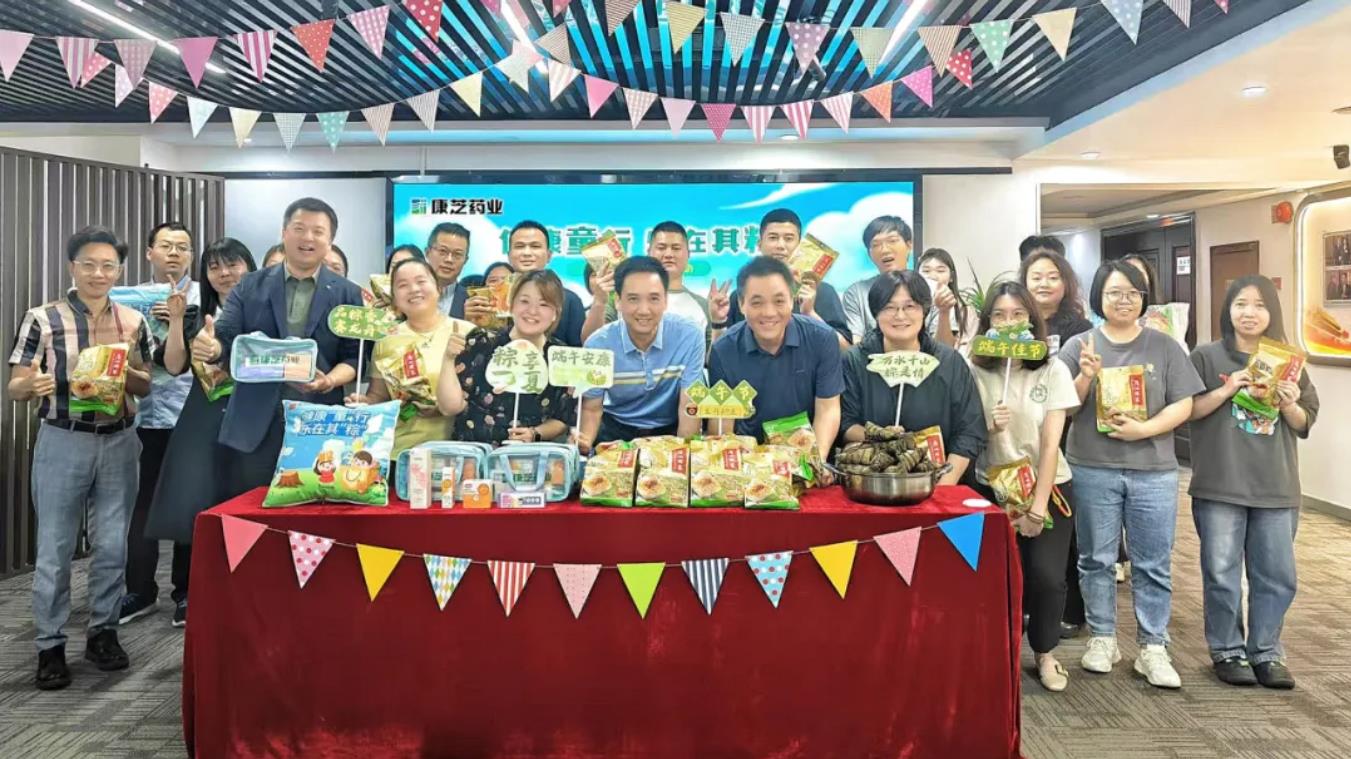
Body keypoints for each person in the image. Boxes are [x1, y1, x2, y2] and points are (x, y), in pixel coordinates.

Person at [7, 226, 153, 690]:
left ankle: (103, 633)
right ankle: (49, 645)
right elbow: (16, 386)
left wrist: (123, 374)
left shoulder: (133, 320)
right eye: (89, 264)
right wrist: (31, 385)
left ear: (120, 271)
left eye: (108, 265)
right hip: (63, 439)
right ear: (73, 267)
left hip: (120, 440)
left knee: (113, 545)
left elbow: (146, 383)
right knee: (55, 547)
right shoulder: (42, 319)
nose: (98, 273)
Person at [1059, 261, 1204, 690]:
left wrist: (1146, 429)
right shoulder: (1079, 344)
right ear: (1098, 296)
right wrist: (1085, 377)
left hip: (1153, 470)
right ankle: (1103, 638)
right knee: (1095, 559)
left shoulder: (1164, 346)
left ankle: (1153, 646)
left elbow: (1184, 403)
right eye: (1114, 292)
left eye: (1133, 293)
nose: (1124, 300)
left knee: (1152, 562)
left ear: (1143, 298)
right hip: (1092, 467)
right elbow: (1064, 407)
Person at [1188, 275, 1318, 690]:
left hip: (1276, 484)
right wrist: (1228, 389)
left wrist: (1290, 403)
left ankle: (1266, 652)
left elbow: (1305, 421)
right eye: (1241, 303)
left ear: (1271, 312)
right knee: (1221, 572)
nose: (1249, 312)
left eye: (1259, 305)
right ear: (1228, 310)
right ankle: (1227, 650)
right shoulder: (1206, 356)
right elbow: (1188, 410)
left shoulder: (1289, 361)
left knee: (1276, 575)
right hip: (1220, 483)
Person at [193, 198, 365, 497]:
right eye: (299, 228)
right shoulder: (249, 285)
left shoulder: (347, 292)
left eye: (318, 231)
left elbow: (354, 356)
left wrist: (329, 380)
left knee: (315, 509)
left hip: (319, 421)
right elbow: (227, 336)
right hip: (254, 421)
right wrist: (212, 347)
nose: (307, 237)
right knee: (249, 509)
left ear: (330, 241)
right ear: (284, 233)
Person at [968, 282, 1080, 692]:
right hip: (991, 487)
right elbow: (963, 433)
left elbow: (1051, 443)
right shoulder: (973, 368)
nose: (1009, 323)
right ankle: (1001, 653)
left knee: (1046, 576)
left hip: (1047, 486)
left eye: (1018, 315)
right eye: (999, 315)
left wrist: (1036, 508)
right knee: (997, 577)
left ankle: (1045, 653)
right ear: (987, 323)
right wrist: (986, 424)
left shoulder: (1053, 369)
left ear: (1032, 321)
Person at [143, 238, 257, 628]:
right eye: (214, 267)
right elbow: (174, 366)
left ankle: (243, 587)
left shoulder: (262, 312)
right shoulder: (196, 314)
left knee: (244, 500)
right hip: (202, 415)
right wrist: (177, 321)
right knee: (196, 500)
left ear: (249, 267)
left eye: (233, 264)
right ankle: (188, 592)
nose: (224, 273)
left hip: (250, 416)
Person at [122, 222, 200, 627]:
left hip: (192, 415)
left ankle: (186, 592)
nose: (174, 253)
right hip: (143, 415)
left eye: (182, 247)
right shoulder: (128, 301)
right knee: (141, 504)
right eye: (166, 246)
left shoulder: (203, 296)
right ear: (149, 252)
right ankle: (139, 590)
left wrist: (181, 320)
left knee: (188, 502)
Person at [840, 270, 983, 486]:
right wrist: (884, 438)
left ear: (925, 311)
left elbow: (969, 431)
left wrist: (945, 486)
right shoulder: (854, 361)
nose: (900, 316)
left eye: (910, 306)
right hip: (873, 484)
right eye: (889, 307)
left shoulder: (949, 362)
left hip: (940, 482)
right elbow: (845, 423)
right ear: (875, 313)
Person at [1020, 248, 1095, 637]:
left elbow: (1076, 393)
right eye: (1036, 277)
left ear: (1065, 283)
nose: (1044, 283)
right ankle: (1026, 609)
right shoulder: (1017, 327)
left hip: (1065, 434)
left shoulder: (1080, 329)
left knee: (1064, 534)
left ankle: (1068, 610)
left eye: (1052, 276)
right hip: (1020, 437)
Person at [707, 257, 842, 474]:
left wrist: (815, 463)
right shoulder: (723, 350)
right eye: (757, 303)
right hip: (749, 465)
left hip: (807, 457)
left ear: (792, 300)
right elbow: (723, 423)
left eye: (779, 301)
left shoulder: (822, 338)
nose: (769, 313)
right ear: (741, 304)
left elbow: (828, 409)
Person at [577, 257, 705, 448]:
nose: (644, 310)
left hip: (669, 430)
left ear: (665, 301)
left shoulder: (689, 335)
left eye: (654, 299)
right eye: (633, 299)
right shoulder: (598, 344)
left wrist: (683, 453)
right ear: (618, 301)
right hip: (616, 431)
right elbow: (591, 410)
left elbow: (690, 405)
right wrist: (584, 443)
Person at [436, 270, 577, 445]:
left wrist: (534, 433)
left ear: (556, 313)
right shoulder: (480, 342)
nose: (532, 311)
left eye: (544, 304)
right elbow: (449, 408)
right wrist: (448, 358)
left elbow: (563, 418)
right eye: (524, 301)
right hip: (474, 453)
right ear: (511, 305)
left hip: (528, 457)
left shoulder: (560, 357)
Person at [346, 258, 461, 458]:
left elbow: (481, 400)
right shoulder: (387, 340)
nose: (414, 289)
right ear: (395, 299)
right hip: (400, 452)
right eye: (402, 285)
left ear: (438, 288)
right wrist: (364, 402)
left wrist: (445, 406)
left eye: (421, 281)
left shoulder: (465, 332)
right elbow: (379, 397)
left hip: (457, 451)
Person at [582, 221, 730, 346]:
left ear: (688, 254)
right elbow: (590, 343)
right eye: (661, 248)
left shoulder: (703, 305)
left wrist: (718, 323)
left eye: (676, 248)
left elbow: (710, 361)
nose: (668, 254)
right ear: (649, 251)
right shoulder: (622, 296)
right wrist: (599, 301)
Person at [725, 208, 852, 349]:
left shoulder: (824, 292)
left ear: (800, 245)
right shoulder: (742, 295)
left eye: (788, 239)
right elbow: (727, 349)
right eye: (773, 238)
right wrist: (717, 323)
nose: (780, 245)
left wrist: (810, 313)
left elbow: (846, 350)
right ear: (760, 245)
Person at [504, 220, 585, 346]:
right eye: (519, 246)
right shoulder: (493, 298)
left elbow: (577, 350)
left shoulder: (569, 300)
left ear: (549, 255)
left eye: (535, 246)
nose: (527, 253)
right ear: (509, 256)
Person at [842, 215, 913, 343]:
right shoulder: (857, 293)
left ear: (909, 245)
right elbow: (856, 344)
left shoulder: (931, 289)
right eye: (876, 245)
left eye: (892, 241)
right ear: (869, 254)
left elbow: (943, 347)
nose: (884, 250)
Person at [917, 248, 979, 356]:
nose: (933, 276)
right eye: (926, 271)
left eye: (940, 271)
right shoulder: (910, 307)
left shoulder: (965, 311)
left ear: (951, 277)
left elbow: (953, 350)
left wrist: (944, 311)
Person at [424, 223, 472, 319]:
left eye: (457, 254)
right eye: (443, 251)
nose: (449, 260)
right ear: (427, 253)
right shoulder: (409, 294)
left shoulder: (471, 302)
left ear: (465, 260)